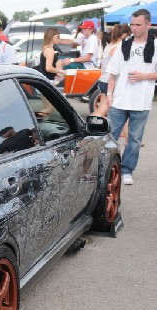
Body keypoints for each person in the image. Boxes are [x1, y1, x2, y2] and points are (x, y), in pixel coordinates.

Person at [106, 8, 157, 185]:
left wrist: (144, 76)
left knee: (134, 140)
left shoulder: (155, 46)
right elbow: (112, 73)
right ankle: (107, 169)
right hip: (120, 99)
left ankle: (127, 170)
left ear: (148, 25)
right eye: (132, 24)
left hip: (141, 102)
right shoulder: (124, 45)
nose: (133, 28)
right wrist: (109, 94)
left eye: (138, 25)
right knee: (111, 136)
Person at [92, 24, 131, 143]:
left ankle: (128, 138)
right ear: (125, 35)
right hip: (112, 82)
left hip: (104, 80)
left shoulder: (110, 46)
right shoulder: (119, 47)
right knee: (108, 110)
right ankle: (87, 127)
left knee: (112, 109)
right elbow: (119, 67)